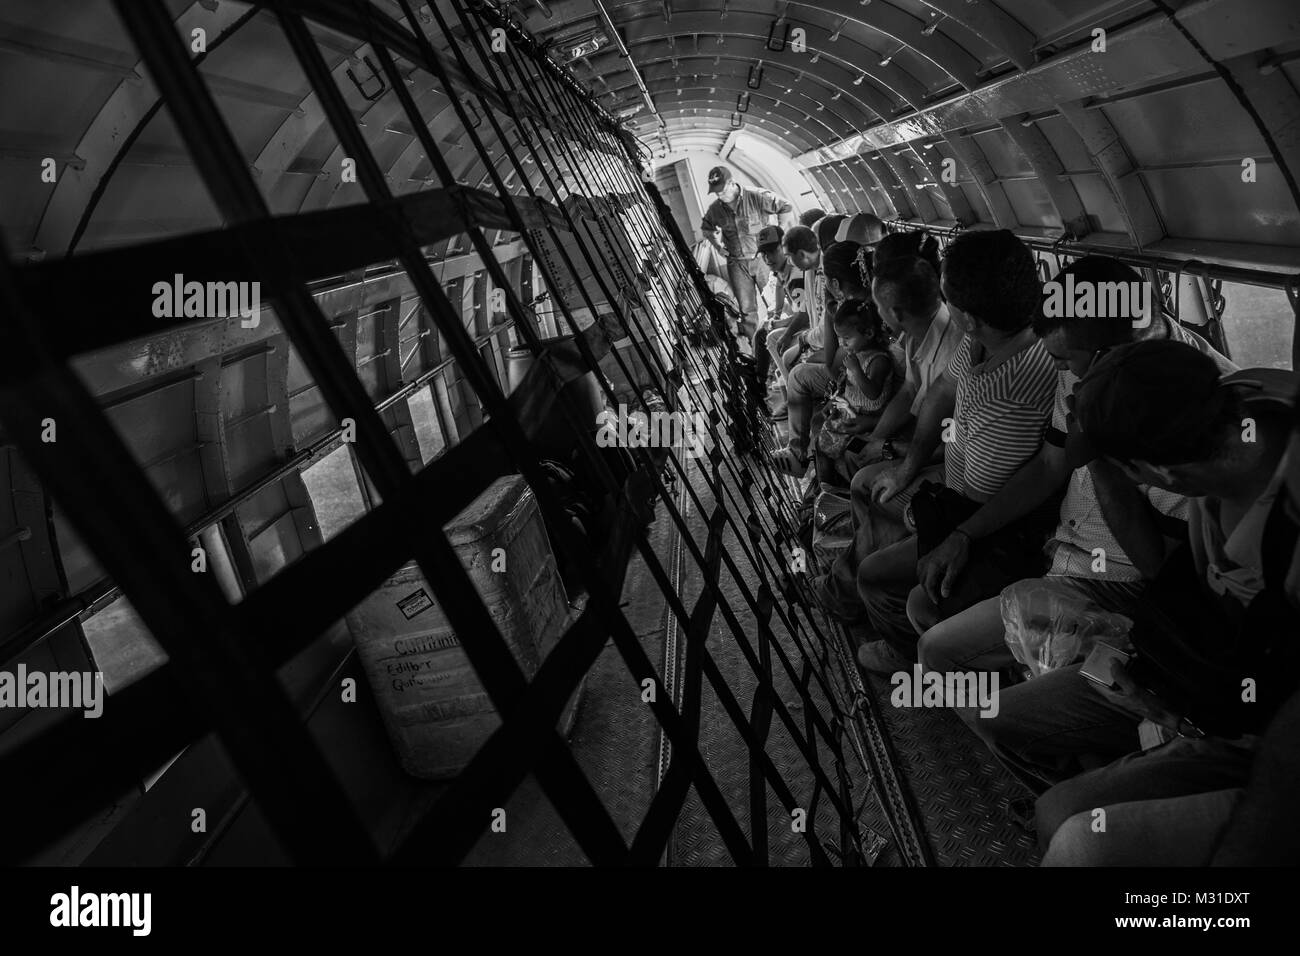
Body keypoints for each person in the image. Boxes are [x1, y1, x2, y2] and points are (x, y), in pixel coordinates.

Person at [1029, 345, 1299, 864]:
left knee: (1081, 846)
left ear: (1151, 471)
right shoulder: (1238, 400)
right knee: (1056, 811)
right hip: (1239, 705)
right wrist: (1162, 690)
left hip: (1273, 743)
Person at [915, 256, 1237, 678]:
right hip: (1060, 548)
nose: (1059, 371)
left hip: (1116, 584)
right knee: (925, 601)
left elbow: (1157, 565)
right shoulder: (1090, 371)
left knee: (938, 651)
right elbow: (1051, 464)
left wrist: (1098, 456)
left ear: (1111, 354)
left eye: (1066, 361)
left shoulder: (1192, 406)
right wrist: (964, 534)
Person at [854, 229, 1058, 672]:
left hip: (987, 519)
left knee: (880, 577)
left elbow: (987, 492)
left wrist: (943, 530)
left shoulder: (1017, 394)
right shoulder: (983, 339)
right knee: (878, 499)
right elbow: (943, 389)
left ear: (966, 316)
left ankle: (909, 655)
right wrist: (908, 466)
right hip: (958, 494)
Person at [813, 233, 962, 622]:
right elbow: (910, 393)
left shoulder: (952, 349)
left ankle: (851, 594)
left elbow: (955, 438)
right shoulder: (918, 337)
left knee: (868, 484)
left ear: (894, 312)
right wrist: (876, 437)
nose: (873, 315)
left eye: (878, 307)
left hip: (950, 460)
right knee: (857, 453)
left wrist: (895, 455)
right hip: (927, 445)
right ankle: (852, 576)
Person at [700, 166, 795, 347]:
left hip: (762, 260)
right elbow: (707, 229)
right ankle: (756, 346)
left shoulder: (757, 196)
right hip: (737, 264)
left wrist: (781, 238)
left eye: (721, 191)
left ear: (731, 183)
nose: (719, 196)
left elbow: (786, 206)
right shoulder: (716, 209)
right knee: (746, 310)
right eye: (716, 193)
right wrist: (718, 247)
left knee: (774, 301)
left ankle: (783, 338)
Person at [815, 299, 898, 485]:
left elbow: (872, 393)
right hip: (851, 411)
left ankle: (843, 486)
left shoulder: (879, 360)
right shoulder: (854, 354)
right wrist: (834, 401)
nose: (843, 344)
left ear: (868, 333)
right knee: (820, 438)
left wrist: (857, 370)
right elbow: (846, 384)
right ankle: (826, 486)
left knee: (846, 450)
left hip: (870, 420)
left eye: (847, 338)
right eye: (841, 339)